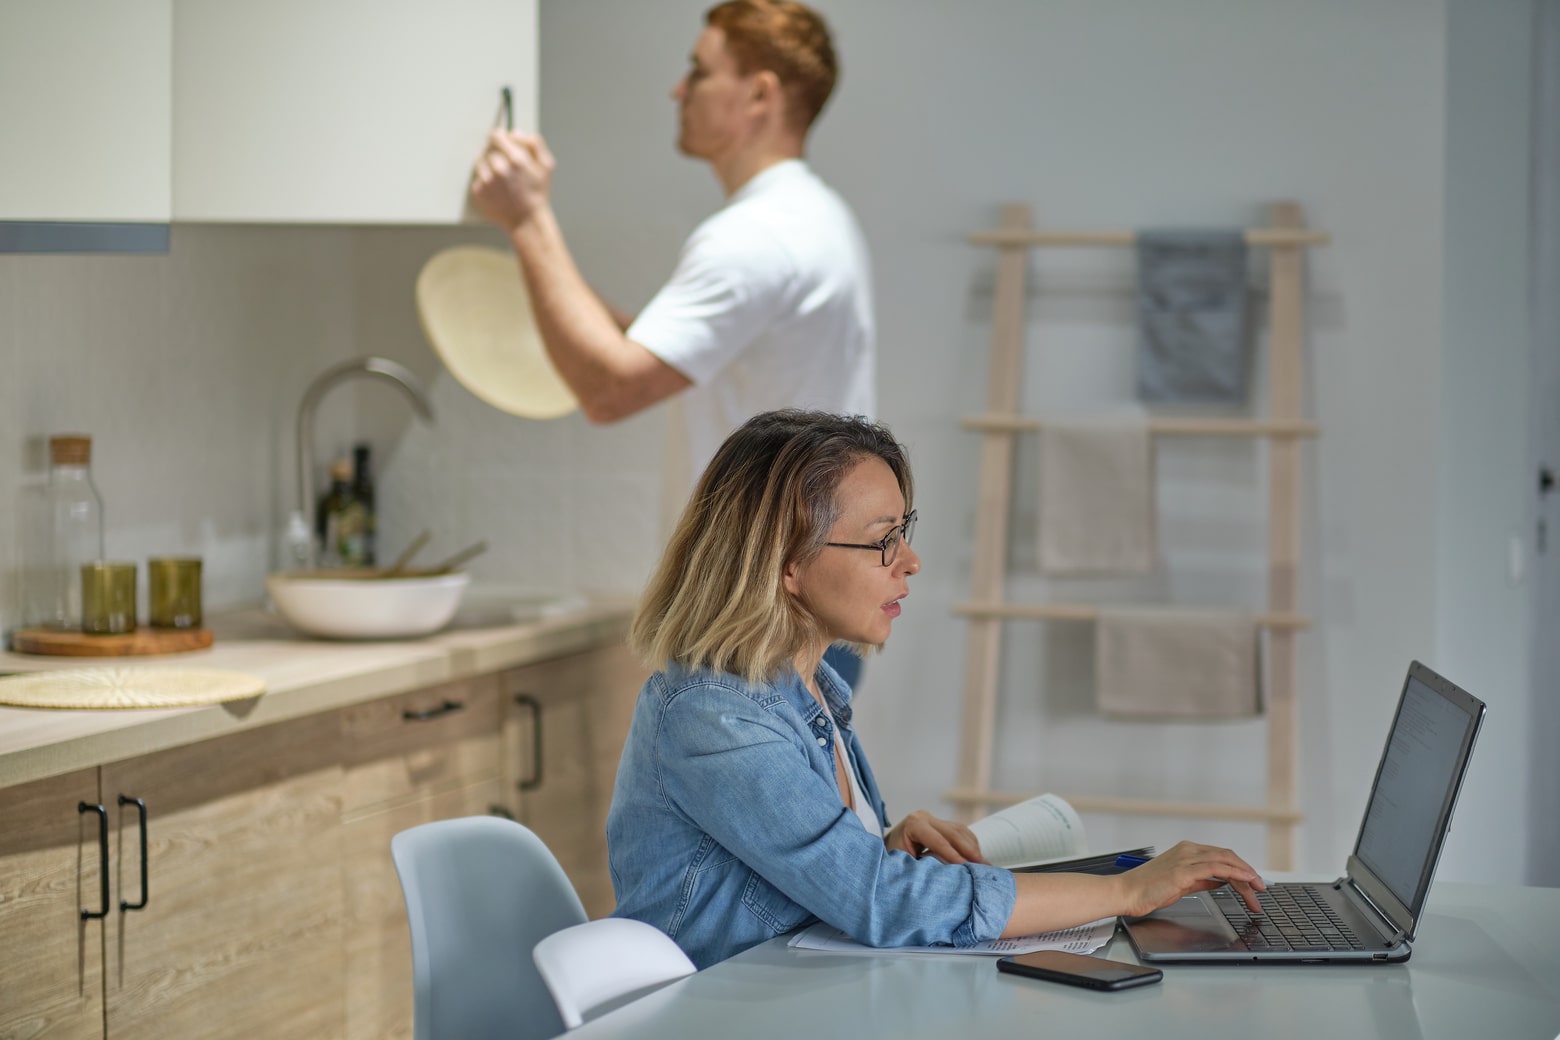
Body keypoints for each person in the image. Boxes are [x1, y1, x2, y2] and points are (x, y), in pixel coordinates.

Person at [606, 409, 1266, 969]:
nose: (910, 561)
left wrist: (880, 844)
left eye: (905, 531)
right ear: (785, 563)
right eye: (882, 542)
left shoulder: (815, 692)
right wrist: (1129, 891)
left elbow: (815, 876)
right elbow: (881, 902)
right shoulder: (714, 716)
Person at [469, 0, 873, 685]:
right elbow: (656, 355)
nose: (678, 89)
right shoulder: (816, 216)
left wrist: (528, 218)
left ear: (760, 93)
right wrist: (540, 268)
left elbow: (611, 389)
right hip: (803, 609)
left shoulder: (753, 236)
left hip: (757, 620)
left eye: (699, 70)